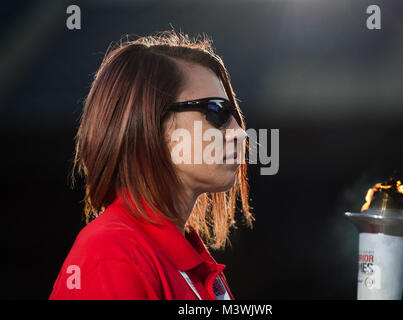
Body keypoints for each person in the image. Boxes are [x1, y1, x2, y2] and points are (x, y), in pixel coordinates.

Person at [49, 30, 253, 300]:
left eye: (235, 115)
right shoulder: (112, 256)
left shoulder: (192, 265)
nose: (240, 133)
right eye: (217, 111)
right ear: (151, 122)